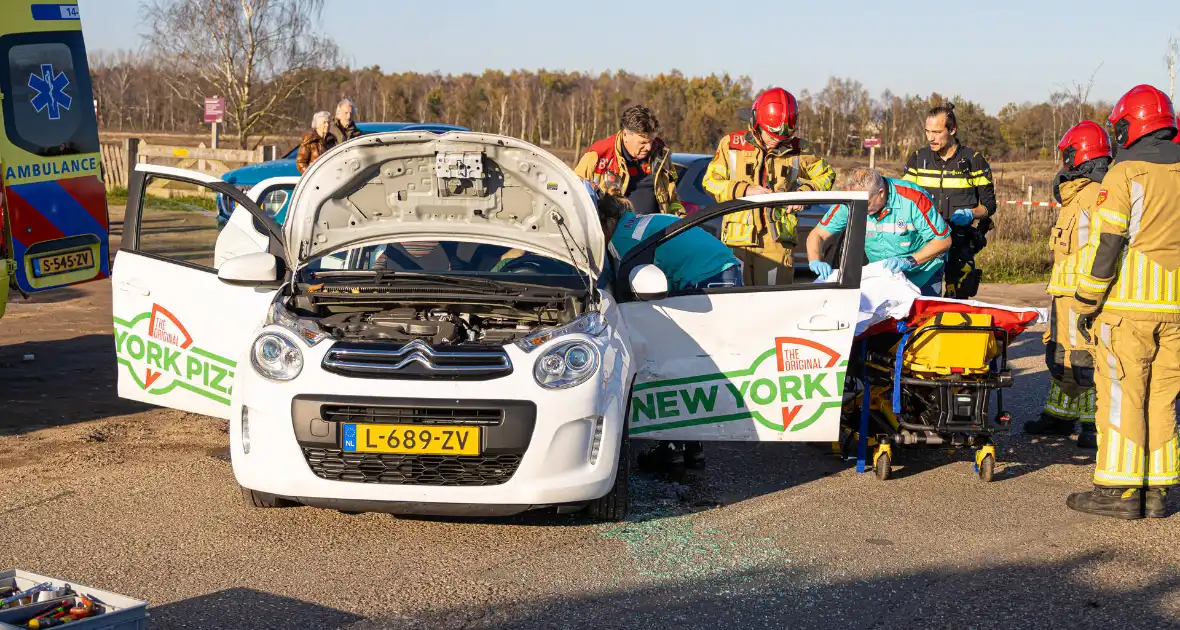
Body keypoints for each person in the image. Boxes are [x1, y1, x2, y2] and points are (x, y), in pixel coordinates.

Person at [1066, 84, 1180, 520]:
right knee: (1163, 398)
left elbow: (1107, 244)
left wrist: (1086, 302)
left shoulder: (1124, 173)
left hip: (1127, 309)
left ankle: (1119, 490)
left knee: (1121, 395)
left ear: (1130, 124)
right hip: (1175, 310)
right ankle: (1157, 493)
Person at [595, 184, 741, 470]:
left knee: (670, 359)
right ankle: (692, 443)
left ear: (607, 222)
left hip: (704, 282)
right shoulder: (641, 222)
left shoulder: (623, 240)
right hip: (726, 271)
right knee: (696, 363)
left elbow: (629, 303)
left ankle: (671, 445)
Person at [1023, 121, 1110, 449]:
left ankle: (1093, 423)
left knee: (1085, 359)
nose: (1063, 162)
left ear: (1082, 154)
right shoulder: (1076, 195)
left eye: (1067, 155)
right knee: (1059, 355)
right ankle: (1058, 415)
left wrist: (1093, 291)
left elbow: (1105, 245)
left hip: (1084, 293)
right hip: (1064, 291)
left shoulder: (1098, 195)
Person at [702, 87, 835, 286]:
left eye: (783, 137)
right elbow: (710, 182)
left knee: (774, 307)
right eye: (771, 134)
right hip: (737, 241)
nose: (777, 140)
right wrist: (744, 190)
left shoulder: (798, 150)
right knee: (736, 305)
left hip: (778, 242)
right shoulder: (731, 145)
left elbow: (826, 175)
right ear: (756, 122)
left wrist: (804, 194)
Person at [901, 102, 997, 299]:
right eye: (927, 131)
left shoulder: (974, 161)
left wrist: (971, 213)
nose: (930, 137)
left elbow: (989, 206)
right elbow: (905, 198)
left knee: (958, 299)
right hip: (925, 242)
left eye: (936, 132)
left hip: (960, 241)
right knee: (926, 300)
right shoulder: (918, 159)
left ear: (952, 129)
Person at [805, 168, 950, 296]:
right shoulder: (851, 202)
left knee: (922, 322)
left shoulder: (913, 198)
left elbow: (943, 240)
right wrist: (815, 260)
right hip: (884, 277)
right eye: (856, 204)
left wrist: (909, 261)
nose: (860, 209)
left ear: (881, 193)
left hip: (922, 274)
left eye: (866, 204)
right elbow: (817, 234)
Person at [574, 105, 684, 217]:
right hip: (610, 232)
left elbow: (672, 199)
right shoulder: (598, 156)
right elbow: (572, 195)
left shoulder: (661, 154)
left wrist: (681, 222)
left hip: (654, 231)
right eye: (642, 143)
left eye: (652, 140)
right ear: (625, 135)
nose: (649, 147)